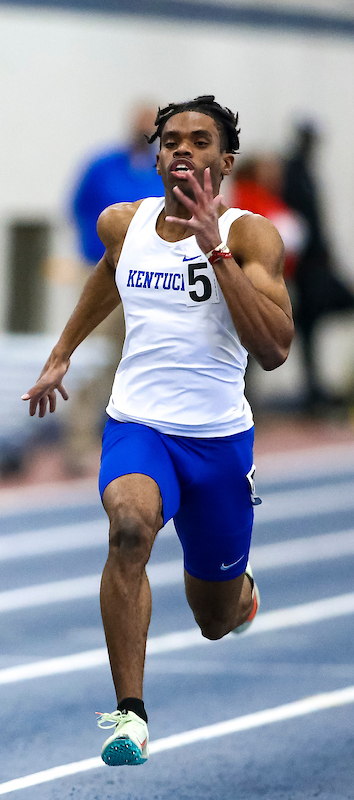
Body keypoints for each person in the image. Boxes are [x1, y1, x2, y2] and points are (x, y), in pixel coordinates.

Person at [23, 96, 292, 767]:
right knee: (130, 526)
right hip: (139, 424)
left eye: (199, 141)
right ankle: (130, 716)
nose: (182, 151)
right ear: (156, 154)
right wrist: (62, 353)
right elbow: (108, 275)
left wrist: (217, 251)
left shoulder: (254, 237)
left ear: (224, 161)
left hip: (219, 444)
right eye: (170, 140)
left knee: (214, 619)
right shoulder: (125, 222)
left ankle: (242, 593)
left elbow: (275, 348)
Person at [62, 104, 165, 474]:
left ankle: (131, 445)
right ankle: (76, 442)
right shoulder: (103, 165)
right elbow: (76, 208)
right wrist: (95, 252)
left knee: (137, 360)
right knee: (91, 356)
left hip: (149, 277)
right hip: (102, 270)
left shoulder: (164, 170)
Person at [281, 121, 354, 411]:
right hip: (305, 267)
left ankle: (314, 387)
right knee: (307, 325)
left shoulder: (306, 172)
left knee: (311, 324)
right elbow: (293, 223)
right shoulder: (292, 172)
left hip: (318, 262)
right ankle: (312, 389)